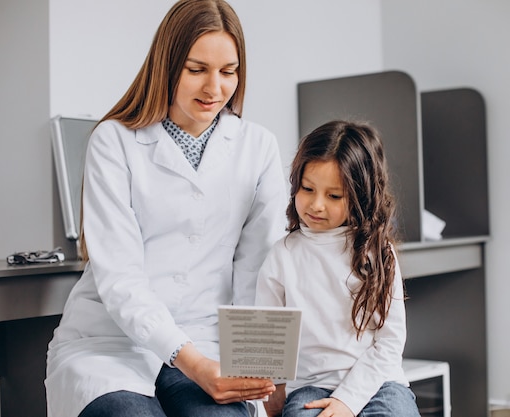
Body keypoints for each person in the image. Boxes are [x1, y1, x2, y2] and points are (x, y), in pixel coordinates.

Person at [45, 1, 288, 416]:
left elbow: (257, 270)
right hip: (111, 344)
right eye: (197, 70)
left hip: (210, 342)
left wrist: (261, 380)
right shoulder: (113, 141)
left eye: (228, 72)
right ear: (167, 64)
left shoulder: (258, 147)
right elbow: (120, 276)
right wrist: (190, 361)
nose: (214, 88)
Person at [255, 120, 421, 417]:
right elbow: (269, 340)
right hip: (310, 386)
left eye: (333, 196)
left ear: (360, 197)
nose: (316, 205)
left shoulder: (378, 254)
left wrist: (347, 400)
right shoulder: (283, 255)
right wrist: (273, 394)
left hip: (380, 383)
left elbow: (389, 342)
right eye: (307, 189)